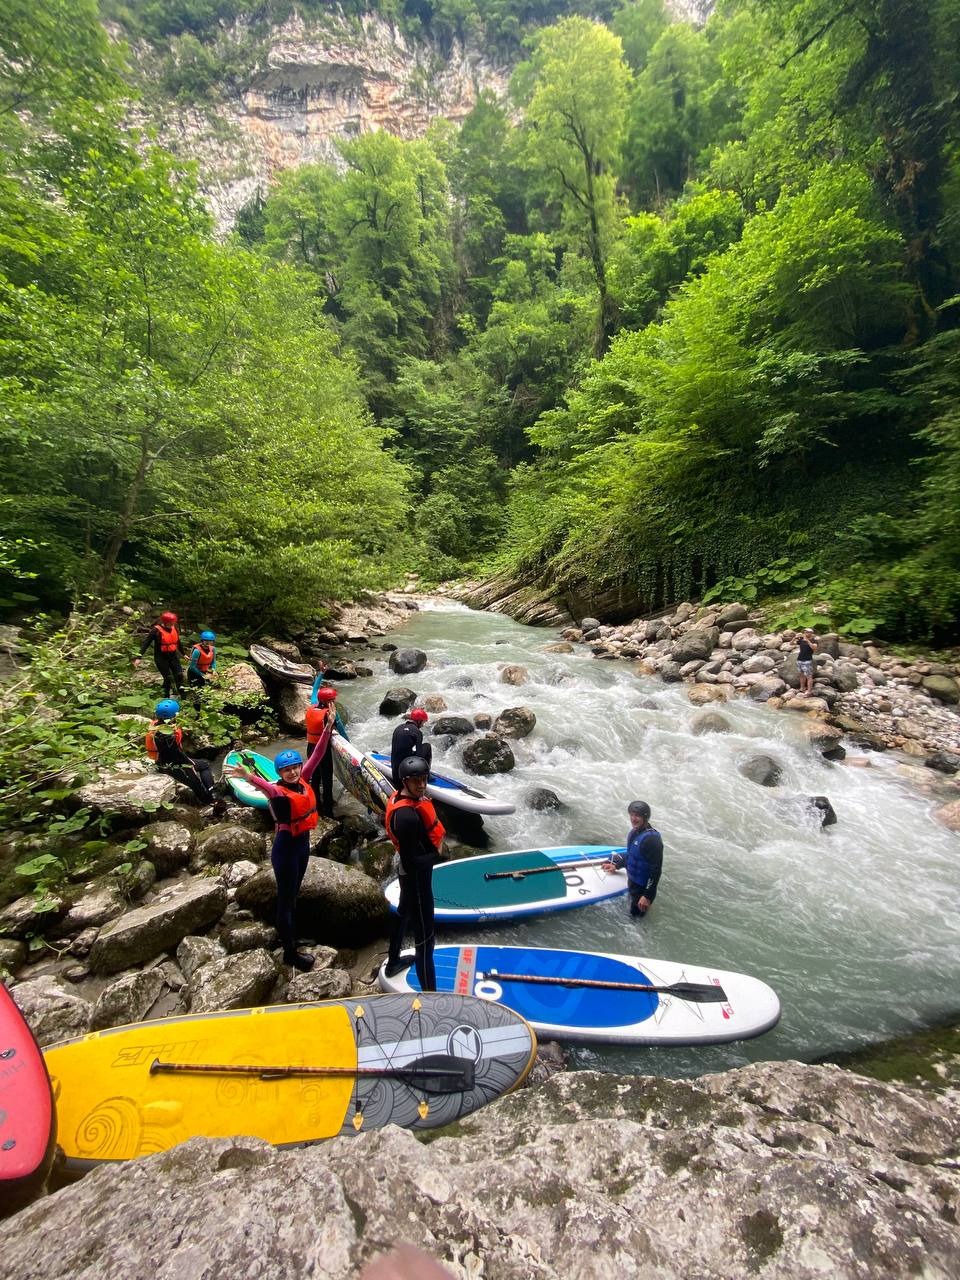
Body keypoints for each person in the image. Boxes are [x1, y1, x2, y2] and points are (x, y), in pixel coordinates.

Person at [224, 728, 333, 972]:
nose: (293, 772)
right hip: (285, 849)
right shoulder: (277, 791)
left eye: (295, 767)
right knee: (286, 900)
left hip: (302, 844)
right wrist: (248, 776)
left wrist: (327, 729)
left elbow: (317, 754)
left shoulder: (304, 778)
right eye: (287, 770)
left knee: (293, 894)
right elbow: (264, 786)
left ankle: (291, 935)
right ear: (280, 773)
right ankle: (290, 953)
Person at [383, 756, 445, 990]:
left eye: (424, 779)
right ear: (404, 782)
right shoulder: (407, 816)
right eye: (416, 781)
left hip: (407, 874)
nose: (422, 785)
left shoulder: (401, 798)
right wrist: (439, 854)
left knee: (402, 912)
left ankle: (393, 963)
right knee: (425, 938)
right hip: (416, 878)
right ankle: (430, 996)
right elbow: (413, 861)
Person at [146, 699, 226, 815]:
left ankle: (212, 791)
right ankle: (212, 802)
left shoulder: (157, 726)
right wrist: (189, 765)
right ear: (173, 715)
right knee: (196, 783)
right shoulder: (167, 737)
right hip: (172, 765)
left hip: (163, 761)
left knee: (204, 765)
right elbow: (176, 756)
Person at [602, 800, 663, 919]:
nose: (633, 819)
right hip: (632, 883)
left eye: (638, 816)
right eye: (632, 815)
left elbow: (656, 870)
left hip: (642, 889)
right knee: (628, 916)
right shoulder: (634, 833)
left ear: (645, 818)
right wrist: (616, 866)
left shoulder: (652, 840)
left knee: (635, 921)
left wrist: (647, 896)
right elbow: (632, 855)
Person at [304, 685, 337, 819]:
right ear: (328, 701)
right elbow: (329, 729)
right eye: (333, 699)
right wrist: (332, 720)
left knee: (316, 778)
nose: (334, 701)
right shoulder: (326, 714)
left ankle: (316, 804)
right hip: (322, 750)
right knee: (327, 779)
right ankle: (329, 811)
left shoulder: (312, 708)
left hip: (311, 747)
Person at [134, 611, 185, 698]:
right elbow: (146, 643)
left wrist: (184, 654)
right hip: (161, 657)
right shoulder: (156, 630)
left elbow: (178, 642)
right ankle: (166, 696)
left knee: (179, 675)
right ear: (165, 622)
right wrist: (139, 657)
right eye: (171, 622)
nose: (173, 624)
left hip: (173, 656)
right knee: (168, 678)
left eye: (174, 622)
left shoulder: (174, 628)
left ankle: (183, 697)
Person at [390, 708, 431, 788]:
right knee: (427, 746)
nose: (423, 725)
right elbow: (420, 756)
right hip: (407, 770)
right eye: (423, 722)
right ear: (419, 721)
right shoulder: (417, 732)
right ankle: (427, 775)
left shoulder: (398, 728)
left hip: (395, 770)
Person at [797, 628, 819, 697]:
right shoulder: (801, 640)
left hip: (807, 660)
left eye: (809, 632)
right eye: (805, 632)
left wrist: (808, 641)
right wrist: (795, 637)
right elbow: (791, 644)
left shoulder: (814, 640)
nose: (807, 633)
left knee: (809, 676)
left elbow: (814, 648)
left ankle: (809, 691)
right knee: (801, 674)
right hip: (799, 659)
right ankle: (802, 688)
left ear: (811, 633)